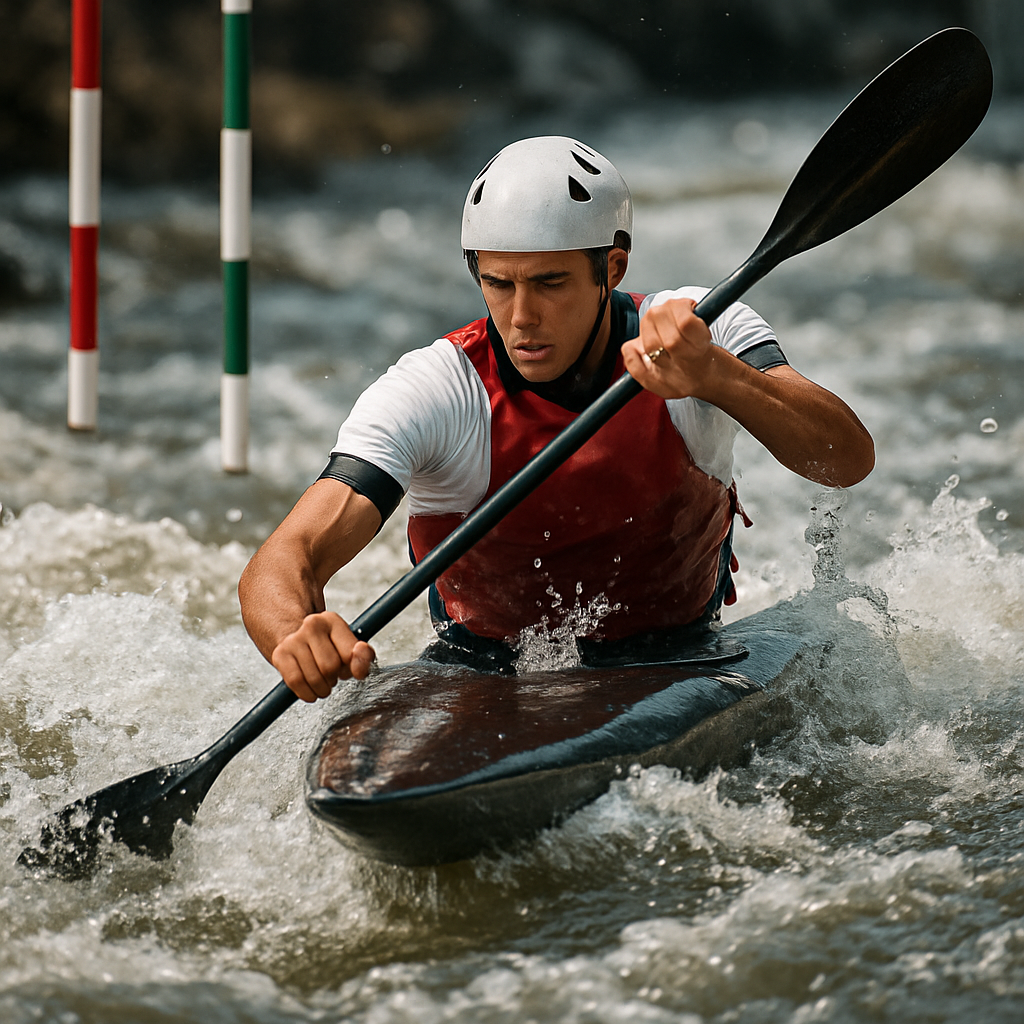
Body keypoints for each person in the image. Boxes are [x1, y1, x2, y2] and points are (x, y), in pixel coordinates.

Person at [238, 136, 874, 703]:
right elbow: (285, 558)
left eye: (550, 283)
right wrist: (296, 633)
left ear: (612, 268)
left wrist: (717, 377)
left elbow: (846, 460)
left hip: (679, 653)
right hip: (485, 674)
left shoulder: (698, 330)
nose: (521, 316)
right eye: (499, 283)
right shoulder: (437, 389)